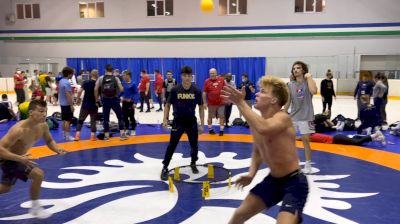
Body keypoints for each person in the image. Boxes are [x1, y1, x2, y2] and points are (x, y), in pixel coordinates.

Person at [221, 75, 308, 224]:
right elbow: (258, 150)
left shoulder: (283, 118)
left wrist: (240, 102)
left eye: (262, 91)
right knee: (239, 215)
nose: (257, 94)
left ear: (274, 100)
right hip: (273, 181)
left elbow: (265, 128)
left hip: (294, 182)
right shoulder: (258, 123)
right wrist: (251, 174)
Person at [0, 99, 68, 219]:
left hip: (18, 159)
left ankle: (35, 207)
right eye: (41, 111)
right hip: (7, 158)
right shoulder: (19, 130)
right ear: (31, 112)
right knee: (38, 174)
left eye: (45, 111)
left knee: (5, 188)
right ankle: (35, 207)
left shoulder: (43, 126)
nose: (44, 114)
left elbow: (49, 141)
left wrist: (56, 148)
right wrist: (19, 159)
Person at [160, 66, 205, 181]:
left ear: (191, 77)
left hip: (191, 121)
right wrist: (165, 119)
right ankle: (165, 167)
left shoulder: (197, 90)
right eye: (184, 75)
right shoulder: (175, 90)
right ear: (181, 76)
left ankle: (193, 162)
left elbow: (201, 107)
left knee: (194, 144)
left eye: (189, 76)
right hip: (178, 121)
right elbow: (168, 105)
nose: (187, 78)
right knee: (172, 144)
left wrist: (202, 124)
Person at [284, 61, 317, 174]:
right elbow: (288, 101)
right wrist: (283, 113)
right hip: (293, 116)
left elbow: (314, 91)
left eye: (298, 68)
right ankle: (292, 162)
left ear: (303, 70)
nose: (295, 70)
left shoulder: (308, 82)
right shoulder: (290, 85)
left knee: (305, 141)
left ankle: (308, 164)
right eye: (294, 68)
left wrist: (310, 77)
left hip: (306, 116)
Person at [94, 64, 128, 141]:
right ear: (112, 70)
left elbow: (95, 89)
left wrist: (97, 99)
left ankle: (106, 136)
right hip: (115, 99)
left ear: (105, 70)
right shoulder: (116, 78)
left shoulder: (101, 78)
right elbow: (122, 89)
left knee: (106, 118)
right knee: (120, 117)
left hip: (105, 100)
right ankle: (122, 135)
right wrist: (117, 93)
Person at [75, 69, 99, 141]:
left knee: (81, 119)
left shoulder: (86, 82)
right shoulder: (98, 84)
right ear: (97, 75)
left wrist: (78, 99)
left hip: (85, 104)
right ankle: (92, 136)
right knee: (93, 120)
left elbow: (79, 91)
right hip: (94, 104)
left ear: (91, 75)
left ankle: (77, 135)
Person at [203, 68, 225, 136]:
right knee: (210, 117)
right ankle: (210, 129)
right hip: (211, 103)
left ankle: (221, 131)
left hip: (221, 103)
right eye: (211, 73)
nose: (212, 74)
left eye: (213, 73)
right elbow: (204, 92)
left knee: (221, 116)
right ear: (209, 74)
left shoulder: (221, 80)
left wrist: (227, 98)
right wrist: (204, 102)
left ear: (216, 73)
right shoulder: (207, 81)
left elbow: (225, 89)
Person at [58, 67, 76, 141]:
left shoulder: (61, 81)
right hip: (67, 104)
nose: (72, 75)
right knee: (68, 120)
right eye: (72, 74)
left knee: (64, 120)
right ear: (69, 74)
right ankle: (67, 136)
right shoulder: (67, 82)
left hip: (62, 103)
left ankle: (64, 135)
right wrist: (71, 105)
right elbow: (68, 94)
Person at [305, 132, 386, 146]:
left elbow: (301, 138)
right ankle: (378, 138)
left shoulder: (311, 137)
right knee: (355, 139)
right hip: (337, 138)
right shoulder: (314, 134)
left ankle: (375, 134)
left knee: (356, 143)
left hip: (336, 139)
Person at [121, 71, 138, 136]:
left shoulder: (133, 84)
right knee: (125, 116)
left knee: (131, 116)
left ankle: (133, 129)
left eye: (124, 75)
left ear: (128, 75)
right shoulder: (123, 83)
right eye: (123, 75)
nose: (123, 76)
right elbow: (122, 92)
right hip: (124, 103)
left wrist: (135, 103)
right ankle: (127, 129)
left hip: (131, 103)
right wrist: (118, 97)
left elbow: (136, 93)